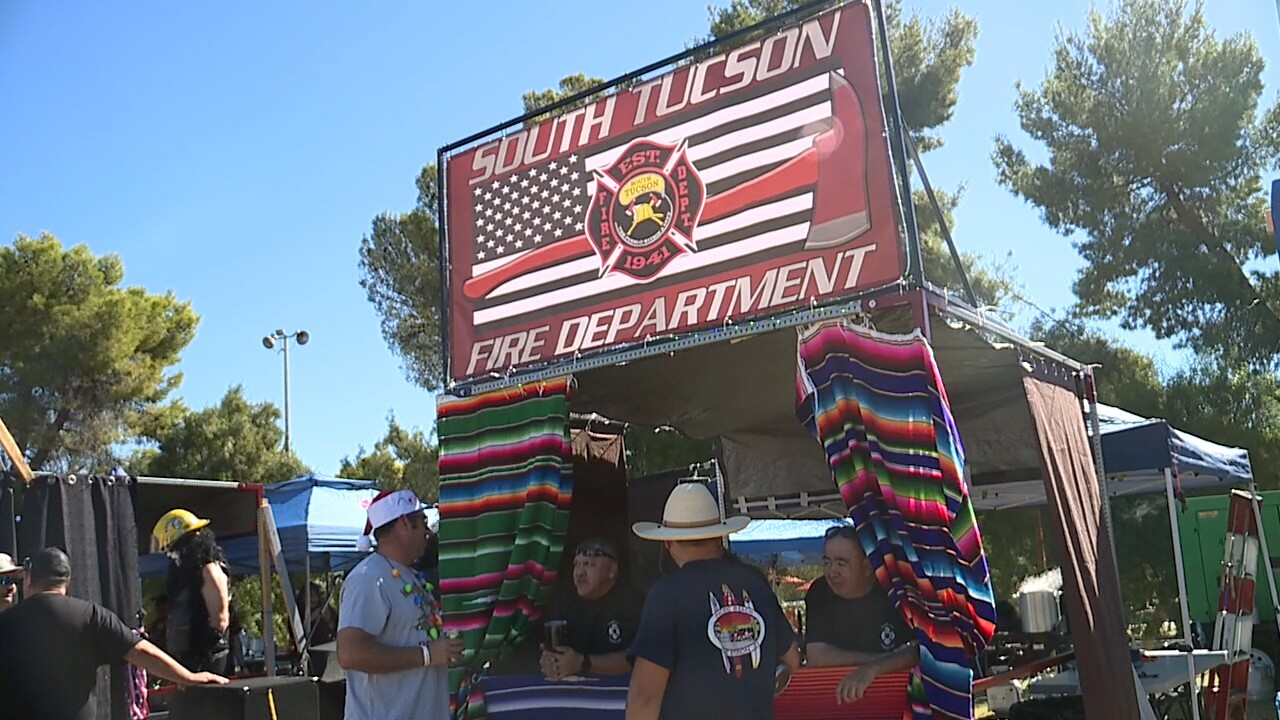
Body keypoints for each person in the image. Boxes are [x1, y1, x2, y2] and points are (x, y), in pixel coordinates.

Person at [626, 483, 800, 720]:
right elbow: (791, 659)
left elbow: (645, 696)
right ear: (719, 536)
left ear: (667, 542)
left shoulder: (666, 596)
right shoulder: (756, 584)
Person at [0, 547, 227, 720]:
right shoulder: (91, 616)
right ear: (66, 581)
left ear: (29, 579)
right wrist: (188, 677)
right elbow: (140, 651)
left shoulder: (7, 623)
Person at [337, 489, 464, 720]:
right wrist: (426, 655)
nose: (428, 532)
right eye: (423, 522)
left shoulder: (411, 576)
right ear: (404, 524)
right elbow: (350, 653)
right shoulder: (368, 578)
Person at [804, 524, 918, 704]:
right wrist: (880, 662)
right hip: (837, 702)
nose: (831, 572)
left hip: (896, 700)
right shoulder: (819, 592)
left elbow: (921, 650)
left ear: (868, 566)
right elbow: (817, 656)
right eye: (827, 562)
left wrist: (872, 669)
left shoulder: (896, 591)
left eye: (841, 563)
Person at [540, 537, 643, 680]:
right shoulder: (566, 602)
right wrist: (550, 663)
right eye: (577, 564)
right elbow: (557, 653)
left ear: (612, 570)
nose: (579, 573)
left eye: (589, 564)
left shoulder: (633, 603)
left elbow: (637, 659)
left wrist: (583, 663)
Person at [152, 508, 231, 674]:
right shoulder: (188, 573)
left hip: (206, 660)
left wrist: (200, 659)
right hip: (187, 658)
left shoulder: (208, 568)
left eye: (173, 551)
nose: (172, 557)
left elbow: (220, 619)